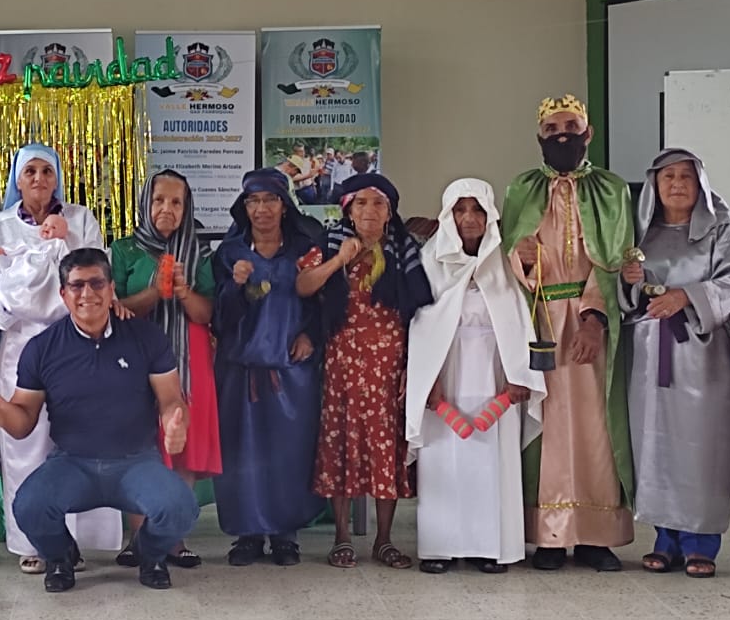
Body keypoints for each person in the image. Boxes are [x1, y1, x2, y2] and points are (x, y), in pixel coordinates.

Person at [0, 248, 197, 592]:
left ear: (111, 289)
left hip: (136, 463)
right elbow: (22, 423)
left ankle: (150, 553)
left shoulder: (146, 337)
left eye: (97, 283)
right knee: (29, 507)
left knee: (181, 507)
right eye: (77, 286)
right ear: (63, 293)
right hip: (73, 463)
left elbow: (172, 399)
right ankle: (60, 557)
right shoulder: (42, 347)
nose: (88, 294)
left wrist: (176, 420)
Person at [0, 144, 121, 573]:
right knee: (26, 445)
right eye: (30, 171)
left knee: (80, 439)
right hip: (22, 345)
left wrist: (65, 239)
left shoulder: (80, 220)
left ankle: (78, 541)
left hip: (79, 343)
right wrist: (12, 302)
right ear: (17, 180)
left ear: (58, 179)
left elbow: (97, 274)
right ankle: (34, 541)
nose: (38, 179)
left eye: (47, 171)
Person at [501, 93, 634, 571]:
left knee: (594, 425)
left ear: (588, 133)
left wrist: (594, 319)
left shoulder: (611, 189)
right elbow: (506, 254)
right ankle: (549, 537)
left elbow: (618, 255)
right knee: (547, 424)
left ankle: (596, 537)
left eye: (571, 127)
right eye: (552, 129)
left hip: (592, 319)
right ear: (539, 137)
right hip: (539, 320)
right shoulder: (522, 188)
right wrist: (521, 259)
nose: (562, 136)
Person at [405, 179, 546, 573]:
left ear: (490, 215)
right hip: (445, 370)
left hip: (495, 374)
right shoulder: (431, 260)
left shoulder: (504, 261)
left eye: (477, 209)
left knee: (490, 461)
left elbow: (519, 319)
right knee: (442, 461)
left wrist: (520, 374)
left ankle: (489, 547)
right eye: (460, 209)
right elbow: (422, 323)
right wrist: (427, 381)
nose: (469, 218)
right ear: (447, 215)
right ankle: (440, 547)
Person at [621, 149, 730, 578]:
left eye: (686, 176)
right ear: (654, 185)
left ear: (700, 183)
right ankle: (666, 540)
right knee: (655, 443)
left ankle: (701, 543)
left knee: (701, 448)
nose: (676, 184)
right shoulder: (641, 232)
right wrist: (629, 283)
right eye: (668, 176)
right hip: (649, 354)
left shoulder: (723, 230)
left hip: (702, 355)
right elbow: (626, 297)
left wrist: (685, 297)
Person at [301, 173, 432, 569]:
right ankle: (342, 537)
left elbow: (422, 312)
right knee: (341, 445)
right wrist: (340, 261)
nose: (369, 211)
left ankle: (384, 540)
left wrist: (415, 366)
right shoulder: (330, 245)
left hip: (390, 367)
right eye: (361, 203)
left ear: (390, 213)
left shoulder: (406, 251)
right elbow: (304, 285)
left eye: (378, 204)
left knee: (385, 448)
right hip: (342, 365)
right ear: (348, 211)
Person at [212, 168, 326, 567]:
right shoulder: (229, 253)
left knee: (288, 453)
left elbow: (327, 301)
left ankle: (285, 534)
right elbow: (218, 318)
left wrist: (312, 335)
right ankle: (247, 535)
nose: (261, 209)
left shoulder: (305, 249)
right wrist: (235, 287)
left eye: (270, 200)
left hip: (291, 371)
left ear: (284, 205)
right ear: (244, 208)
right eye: (253, 201)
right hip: (239, 370)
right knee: (241, 455)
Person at [110, 170, 220, 568]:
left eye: (176, 202)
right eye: (159, 200)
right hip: (137, 356)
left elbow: (207, 314)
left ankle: (174, 538)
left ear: (187, 208)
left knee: (183, 445)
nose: (167, 209)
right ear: (146, 204)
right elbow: (116, 310)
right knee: (139, 446)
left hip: (190, 359)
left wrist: (185, 292)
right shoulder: (125, 250)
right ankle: (138, 539)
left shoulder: (199, 252)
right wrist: (155, 291)